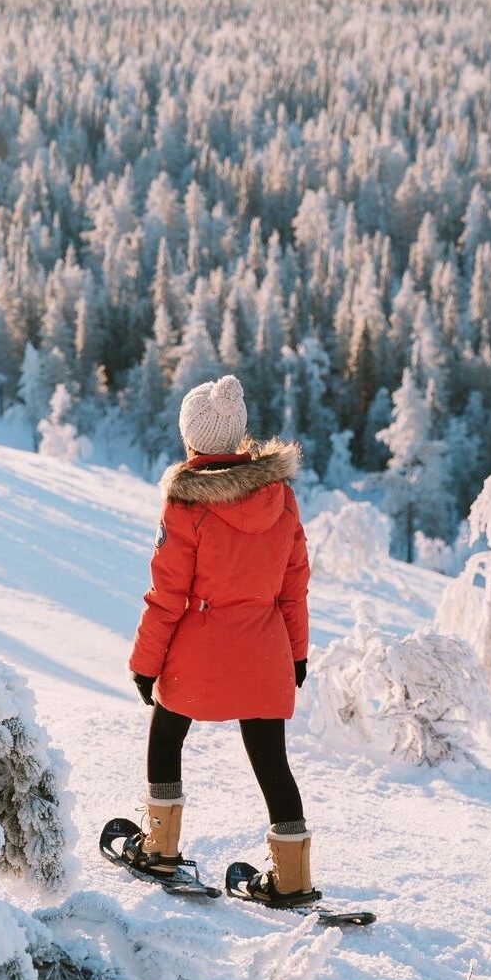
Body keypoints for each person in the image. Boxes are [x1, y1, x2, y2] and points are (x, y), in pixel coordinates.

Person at [126, 373, 315, 904]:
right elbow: (293, 587)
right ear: (237, 437)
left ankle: (160, 847)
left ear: (190, 439)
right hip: (265, 648)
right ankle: (294, 877)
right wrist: (296, 654)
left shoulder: (185, 504)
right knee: (271, 760)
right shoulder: (280, 496)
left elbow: (167, 595)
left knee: (166, 734)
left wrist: (145, 664)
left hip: (199, 651)